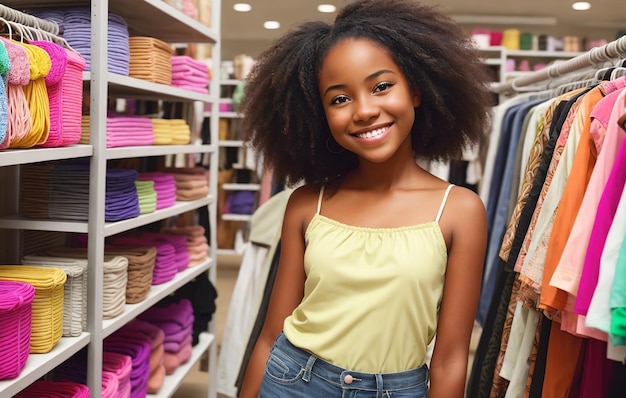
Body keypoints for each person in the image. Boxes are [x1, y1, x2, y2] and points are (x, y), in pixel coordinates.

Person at [238, 0, 493, 397]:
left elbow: (450, 358)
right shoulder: (308, 203)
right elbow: (271, 336)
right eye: (340, 99)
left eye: (381, 86)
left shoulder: (459, 210)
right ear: (319, 115)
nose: (364, 110)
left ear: (417, 90)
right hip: (292, 381)